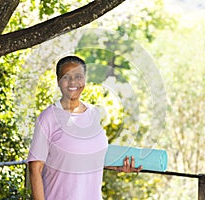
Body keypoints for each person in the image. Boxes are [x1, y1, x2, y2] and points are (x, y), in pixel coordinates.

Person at [27, 55, 142, 200]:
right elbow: (35, 169)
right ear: (58, 81)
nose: (73, 82)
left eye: (78, 76)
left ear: (85, 80)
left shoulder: (94, 113)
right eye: (66, 77)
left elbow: (88, 155)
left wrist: (117, 166)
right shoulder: (48, 118)